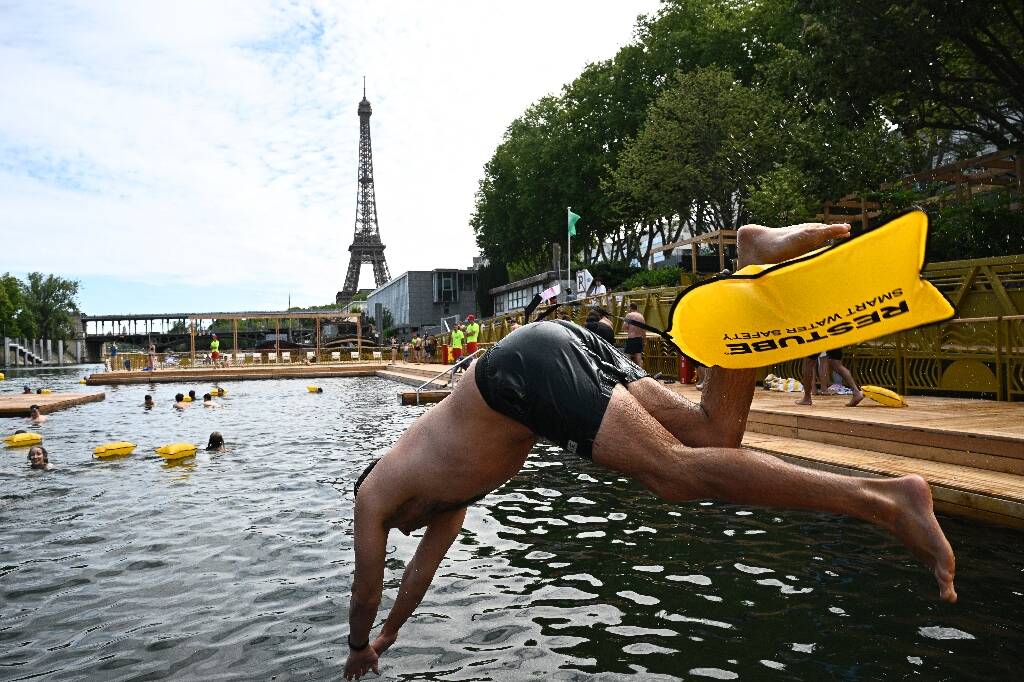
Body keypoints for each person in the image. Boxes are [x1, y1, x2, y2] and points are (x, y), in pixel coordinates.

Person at [342, 222, 957, 680]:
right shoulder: (447, 500)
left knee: (674, 475)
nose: (405, 535)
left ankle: (885, 500)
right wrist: (388, 639)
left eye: (399, 531)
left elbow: (367, 587)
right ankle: (747, 265)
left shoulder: (374, 494)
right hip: (553, 349)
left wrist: (354, 645)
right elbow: (419, 575)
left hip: (521, 373)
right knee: (712, 435)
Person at [796, 348, 865, 407]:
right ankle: (856, 392)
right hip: (834, 335)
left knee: (808, 364)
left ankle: (807, 398)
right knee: (836, 363)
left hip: (820, 336)